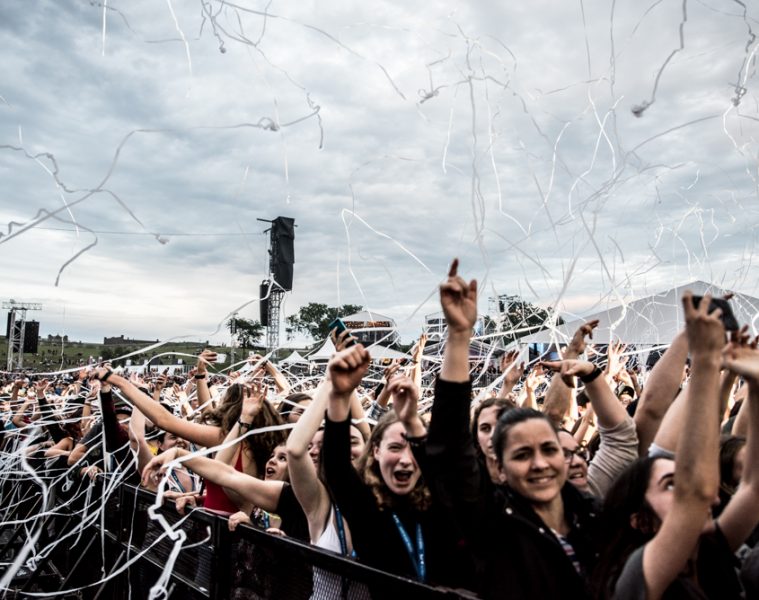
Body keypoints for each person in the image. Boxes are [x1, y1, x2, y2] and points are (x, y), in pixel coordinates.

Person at [421, 259, 600, 599]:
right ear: (500, 468)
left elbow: (555, 415)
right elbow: (449, 450)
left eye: (549, 449)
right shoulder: (494, 522)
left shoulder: (590, 512)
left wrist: (574, 353)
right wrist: (459, 338)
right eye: (521, 455)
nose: (540, 463)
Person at [592, 293, 759, 599]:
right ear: (640, 520)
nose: (693, 488)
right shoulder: (633, 581)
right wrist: (706, 362)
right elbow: (696, 494)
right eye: (671, 484)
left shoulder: (710, 552)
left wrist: (756, 384)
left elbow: (753, 485)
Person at [321, 343, 469, 588]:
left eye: (413, 448)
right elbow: (336, 467)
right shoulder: (367, 509)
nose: (405, 459)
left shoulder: (442, 502)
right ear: (376, 451)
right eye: (395, 447)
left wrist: (413, 422)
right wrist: (339, 395)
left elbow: (447, 458)